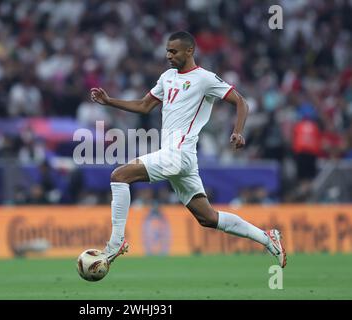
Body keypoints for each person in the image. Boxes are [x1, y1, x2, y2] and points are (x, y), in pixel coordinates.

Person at [90, 31, 287, 268]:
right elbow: (144, 106)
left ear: (189, 51)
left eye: (173, 51)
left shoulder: (205, 79)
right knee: (208, 218)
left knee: (119, 176)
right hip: (183, 159)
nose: (168, 55)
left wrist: (238, 131)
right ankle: (268, 238)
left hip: (179, 154)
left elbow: (241, 102)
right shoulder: (167, 77)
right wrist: (110, 101)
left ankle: (116, 244)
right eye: (167, 51)